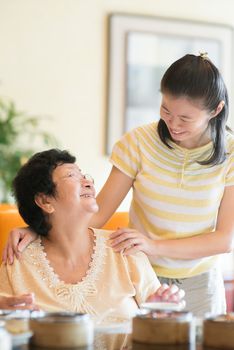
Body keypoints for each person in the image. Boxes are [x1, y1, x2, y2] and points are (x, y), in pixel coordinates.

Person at [3, 53, 233, 316]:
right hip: (142, 277)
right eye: (166, 111)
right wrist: (37, 229)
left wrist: (152, 245)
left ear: (215, 111)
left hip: (200, 284)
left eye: (185, 118)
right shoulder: (138, 143)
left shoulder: (231, 154)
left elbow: (224, 240)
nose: (173, 124)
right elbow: (96, 214)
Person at [0, 149, 183, 319]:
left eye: (84, 175)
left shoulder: (125, 248)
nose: (88, 182)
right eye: (72, 175)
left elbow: (160, 322)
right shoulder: (17, 260)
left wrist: (155, 315)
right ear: (45, 200)